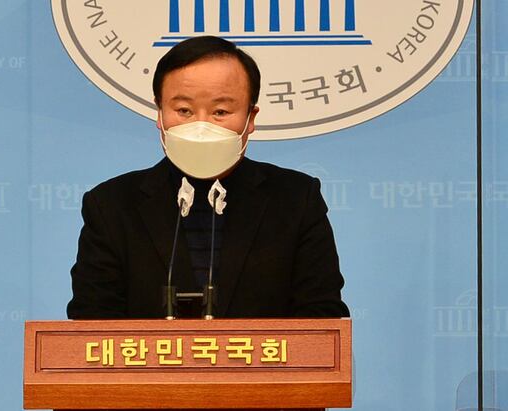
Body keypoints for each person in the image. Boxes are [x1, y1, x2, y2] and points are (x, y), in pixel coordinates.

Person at [67, 36, 349, 319]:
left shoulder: (296, 199)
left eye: (220, 112)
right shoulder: (111, 206)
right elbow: (90, 323)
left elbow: (322, 322)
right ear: (159, 113)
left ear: (250, 118)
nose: (200, 126)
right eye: (184, 111)